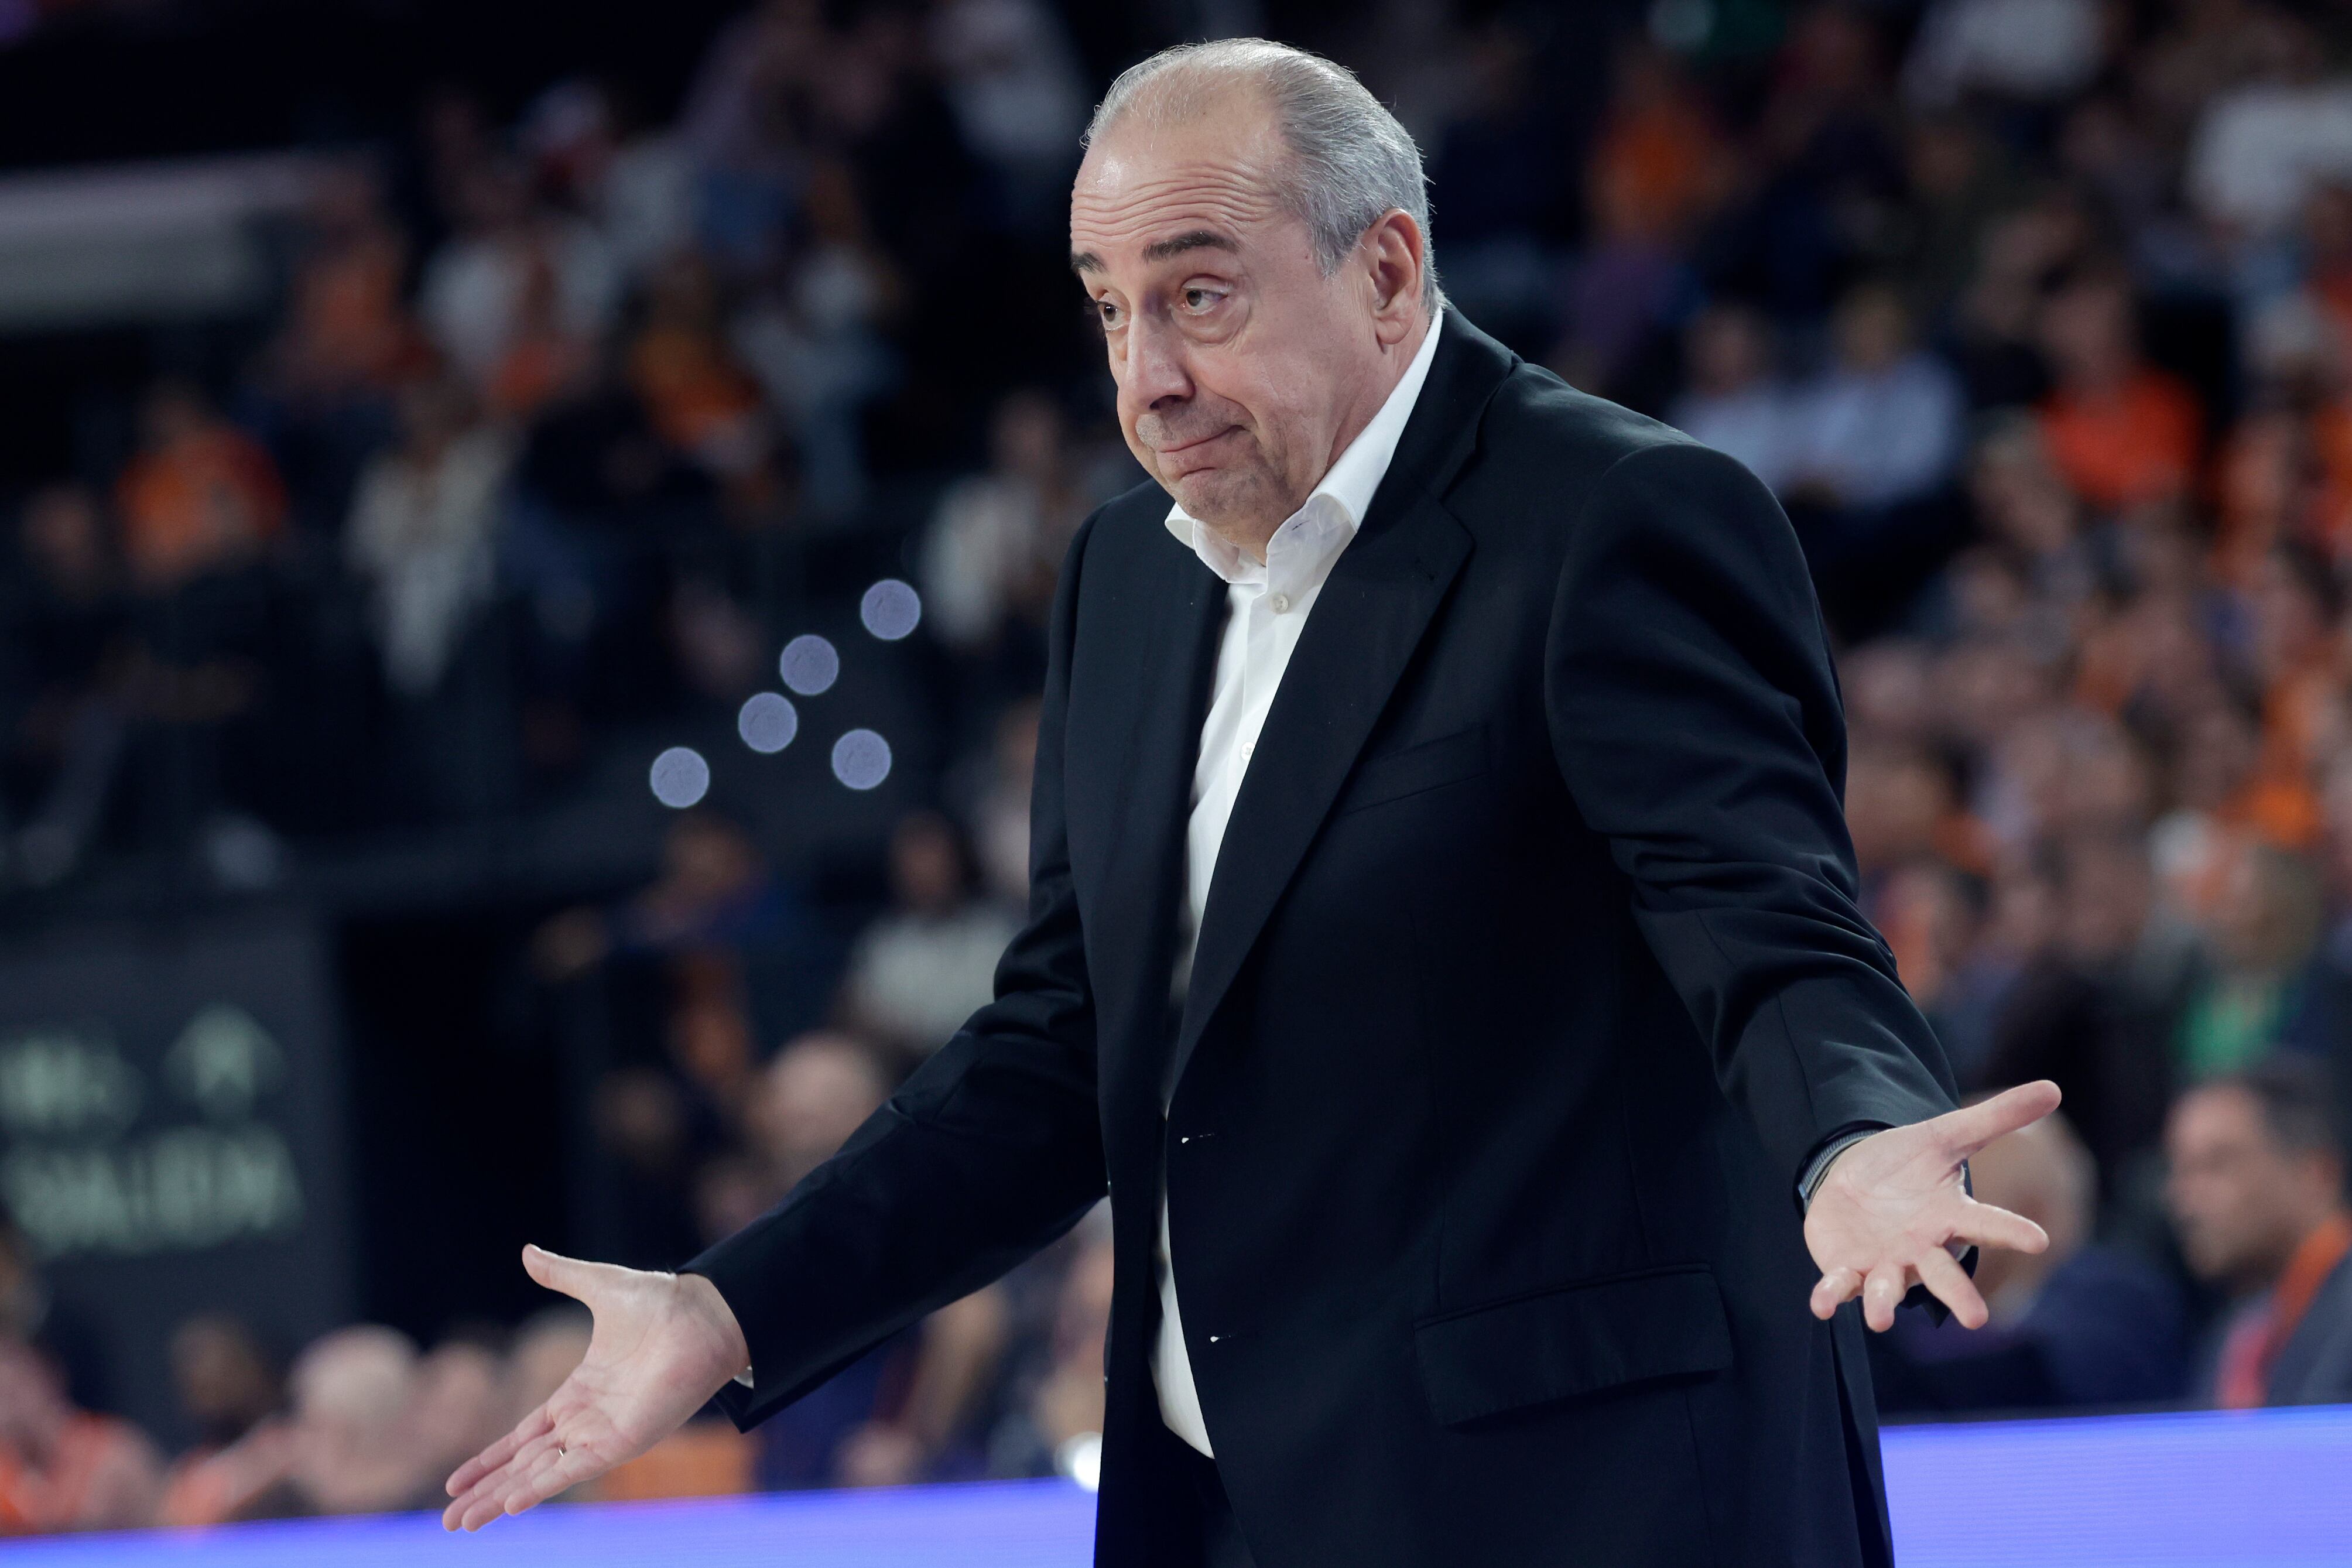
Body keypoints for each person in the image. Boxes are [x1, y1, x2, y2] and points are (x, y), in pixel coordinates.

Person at [446, 41, 2061, 1567]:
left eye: (1199, 295)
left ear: (1387, 270)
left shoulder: (1614, 518)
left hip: (1585, 1493)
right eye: (1108, 311)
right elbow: (1066, 1048)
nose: (1147, 378)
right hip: (1230, 1507)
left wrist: (1854, 1132)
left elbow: (1764, 918)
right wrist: (732, 1310)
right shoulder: (1124, 581)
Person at [2168, 1057, 2352, 1408]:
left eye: (2216, 1165)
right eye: (2181, 1170)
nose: (2184, 1198)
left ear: (2316, 1174)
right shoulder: (2236, 1335)